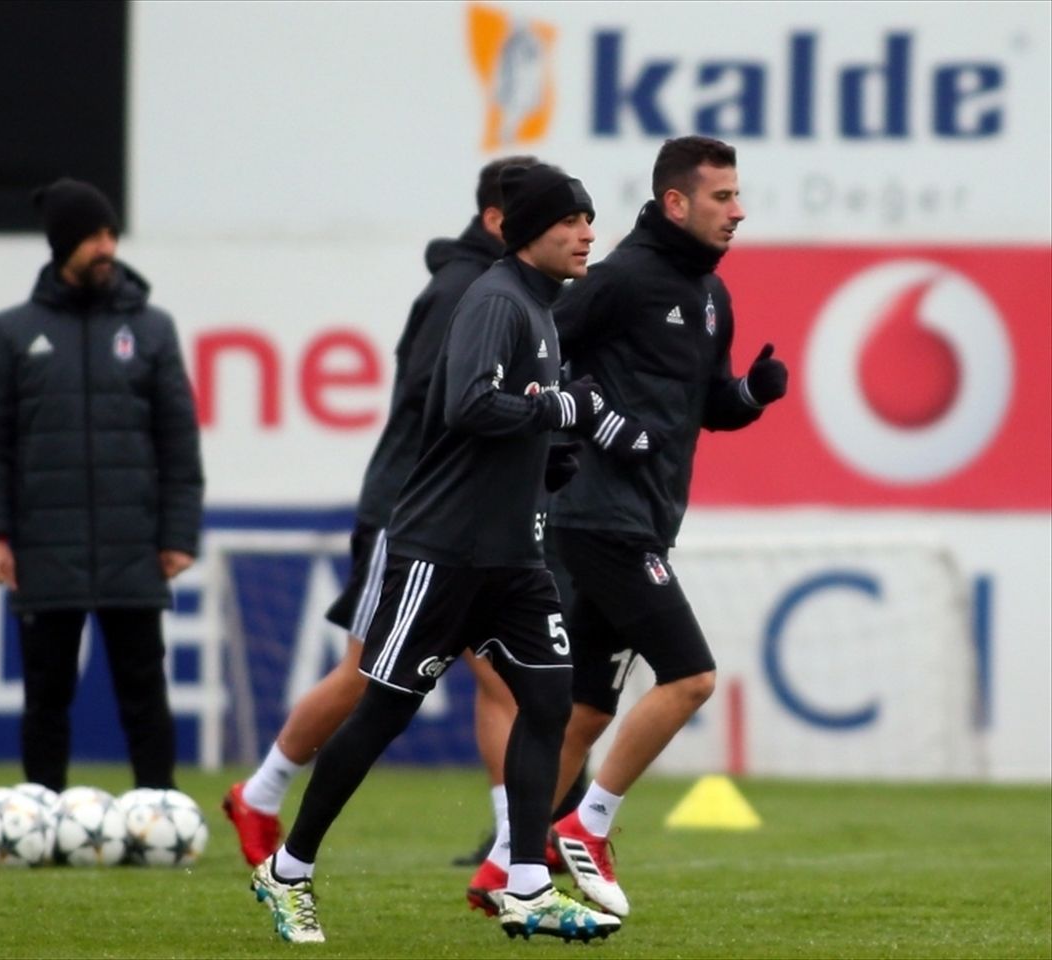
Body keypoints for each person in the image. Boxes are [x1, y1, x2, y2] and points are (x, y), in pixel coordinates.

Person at [250, 162, 621, 944]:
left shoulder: (543, 310)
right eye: (574, 219)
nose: (589, 232)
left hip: (514, 556)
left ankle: (524, 883)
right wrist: (561, 407)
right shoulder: (494, 298)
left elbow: (510, 424)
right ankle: (288, 869)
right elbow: (469, 404)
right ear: (529, 231)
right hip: (443, 551)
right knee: (383, 711)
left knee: (551, 702)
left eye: (591, 218)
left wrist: (553, 454)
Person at [222, 156, 540, 869]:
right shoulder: (463, 292)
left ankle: (518, 843)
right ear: (499, 221)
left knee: (497, 673)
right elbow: (440, 409)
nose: (569, 233)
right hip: (414, 513)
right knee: (367, 675)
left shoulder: (501, 292)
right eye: (550, 219)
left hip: (462, 516)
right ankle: (263, 794)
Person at [543, 135, 789, 918]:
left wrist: (750, 394)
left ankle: (505, 866)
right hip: (599, 517)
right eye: (723, 198)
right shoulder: (622, 277)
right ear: (676, 202)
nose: (738, 212)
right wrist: (601, 419)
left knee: (586, 709)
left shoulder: (712, 296)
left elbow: (705, 405)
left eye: (738, 196)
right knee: (690, 676)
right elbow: (540, 349)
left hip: (642, 518)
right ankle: (587, 825)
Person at [0, 177, 204, 793]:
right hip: (46, 544)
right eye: (94, 236)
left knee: (145, 693)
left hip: (133, 543)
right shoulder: (12, 332)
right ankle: (39, 816)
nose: (107, 247)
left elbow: (179, 442)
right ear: (64, 243)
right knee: (46, 696)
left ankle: (161, 814)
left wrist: (178, 534)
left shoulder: (152, 329)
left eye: (111, 234)